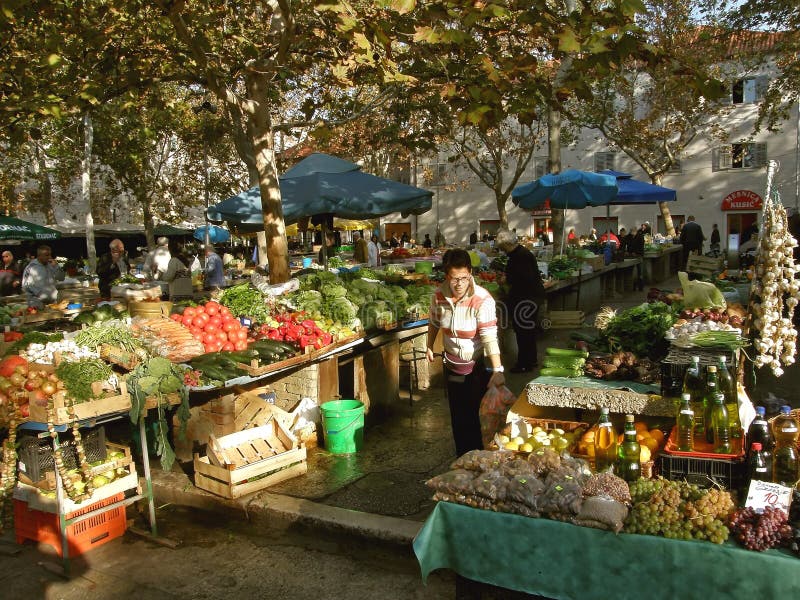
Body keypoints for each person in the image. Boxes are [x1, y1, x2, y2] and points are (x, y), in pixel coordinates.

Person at [426, 249, 505, 456]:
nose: (459, 284)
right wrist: (428, 345)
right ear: (446, 276)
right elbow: (434, 322)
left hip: (475, 368)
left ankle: (480, 459)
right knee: (458, 418)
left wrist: (497, 369)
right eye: (454, 279)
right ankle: (463, 460)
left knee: (476, 419)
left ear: (470, 272)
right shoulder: (438, 296)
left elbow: (489, 337)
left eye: (464, 278)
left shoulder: (482, 299)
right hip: (452, 366)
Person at [495, 230, 546, 373]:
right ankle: (531, 360)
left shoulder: (520, 256)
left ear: (506, 244)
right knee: (527, 331)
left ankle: (524, 363)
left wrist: (507, 279)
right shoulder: (520, 253)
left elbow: (525, 278)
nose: (501, 249)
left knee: (523, 331)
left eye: (501, 246)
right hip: (529, 298)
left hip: (526, 300)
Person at [630, 224, 646, 290]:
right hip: (634, 255)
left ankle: (640, 287)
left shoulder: (640, 237)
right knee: (635, 273)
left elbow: (640, 246)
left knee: (640, 272)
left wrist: (635, 252)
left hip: (639, 255)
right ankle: (634, 286)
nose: (632, 233)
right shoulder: (631, 236)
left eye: (632, 232)